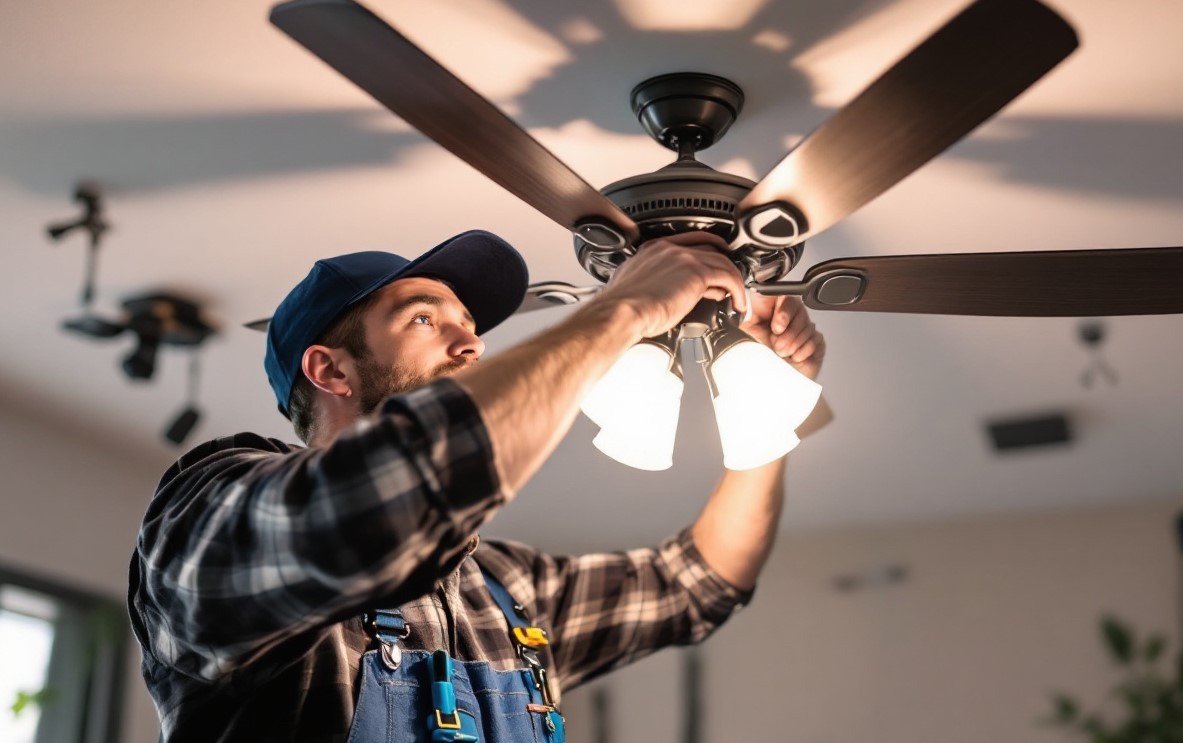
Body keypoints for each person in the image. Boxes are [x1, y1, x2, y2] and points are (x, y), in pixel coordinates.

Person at [128, 229, 825, 742]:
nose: (471, 344)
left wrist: (762, 415)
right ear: (331, 370)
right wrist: (629, 308)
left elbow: (696, 583)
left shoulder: (506, 589)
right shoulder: (209, 509)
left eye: (469, 325)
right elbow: (369, 508)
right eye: (425, 319)